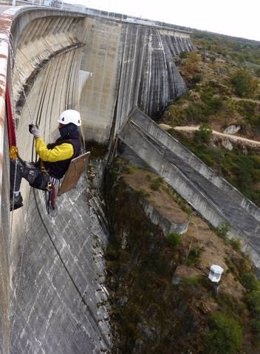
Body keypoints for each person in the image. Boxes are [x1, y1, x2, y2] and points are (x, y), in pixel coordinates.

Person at [10, 109, 82, 211]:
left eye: (62, 125)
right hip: (47, 178)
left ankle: (15, 198)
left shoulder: (69, 147)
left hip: (47, 181)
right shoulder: (71, 141)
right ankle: (13, 192)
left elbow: (46, 155)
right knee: (16, 162)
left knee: (17, 166)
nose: (59, 127)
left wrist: (37, 136)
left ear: (70, 127)